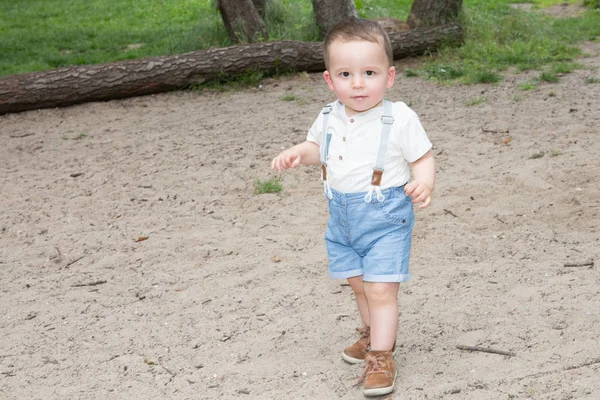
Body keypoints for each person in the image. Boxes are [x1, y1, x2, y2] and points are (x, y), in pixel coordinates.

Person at [271, 17, 435, 397]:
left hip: (386, 218)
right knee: (359, 286)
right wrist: (300, 152)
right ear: (330, 80)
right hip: (342, 219)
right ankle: (371, 335)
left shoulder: (399, 118)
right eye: (346, 73)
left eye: (369, 72)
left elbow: (423, 156)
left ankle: (381, 356)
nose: (358, 83)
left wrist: (424, 181)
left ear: (389, 77)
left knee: (381, 291)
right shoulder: (329, 116)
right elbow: (318, 150)